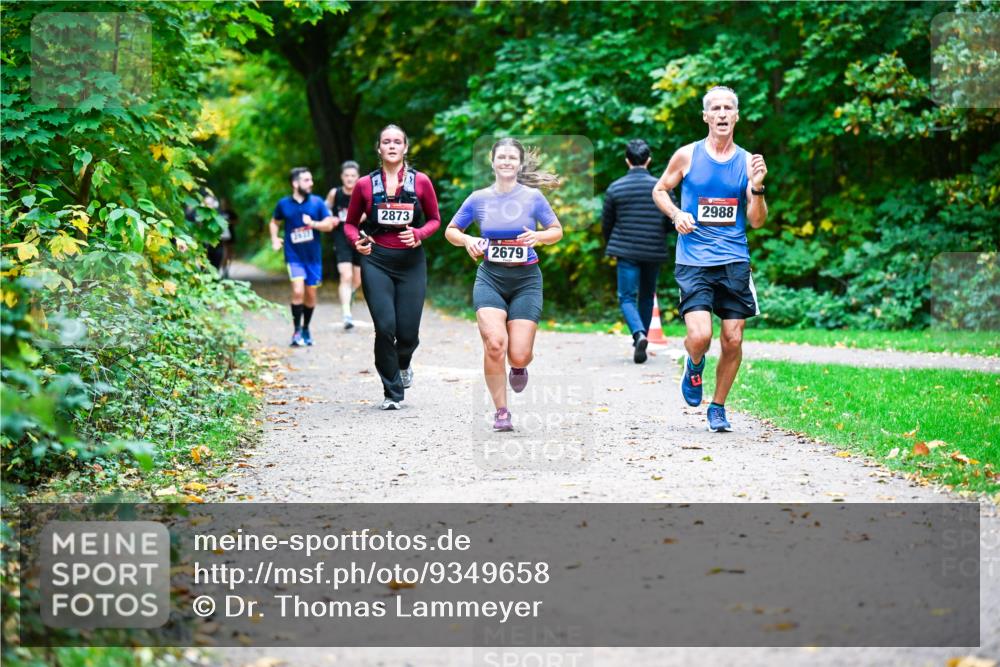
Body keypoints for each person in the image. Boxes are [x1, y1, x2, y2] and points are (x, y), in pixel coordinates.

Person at [652, 86, 768, 432]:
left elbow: (757, 221)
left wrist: (758, 187)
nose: (721, 113)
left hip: (734, 259)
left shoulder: (747, 162)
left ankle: (717, 407)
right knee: (701, 336)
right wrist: (676, 214)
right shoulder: (687, 155)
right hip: (694, 260)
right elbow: (660, 189)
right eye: (715, 108)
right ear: (705, 116)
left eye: (728, 108)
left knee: (733, 339)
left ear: (736, 116)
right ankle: (694, 363)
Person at [444, 138, 563, 431]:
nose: (507, 161)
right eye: (502, 157)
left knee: (518, 354)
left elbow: (556, 231)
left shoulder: (533, 197)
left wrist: (539, 237)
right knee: (495, 344)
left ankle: (519, 366)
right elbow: (451, 230)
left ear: (520, 164)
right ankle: (501, 411)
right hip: (491, 278)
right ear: (492, 161)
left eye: (512, 157)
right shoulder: (478, 198)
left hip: (526, 280)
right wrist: (467, 239)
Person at [343, 125, 441, 410]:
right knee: (385, 328)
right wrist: (357, 241)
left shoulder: (421, 182)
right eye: (386, 141)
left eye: (397, 141)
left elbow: (435, 219)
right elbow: (350, 224)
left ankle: (403, 363)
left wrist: (419, 233)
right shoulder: (364, 184)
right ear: (379, 148)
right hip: (376, 260)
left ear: (405, 147)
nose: (392, 146)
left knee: (408, 334)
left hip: (411, 263)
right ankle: (392, 392)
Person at [602, 139, 672, 364]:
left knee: (626, 297)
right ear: (648, 160)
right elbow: (672, 219)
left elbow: (607, 223)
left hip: (626, 251)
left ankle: (638, 334)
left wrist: (612, 245)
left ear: (627, 160)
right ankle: (642, 337)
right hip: (653, 249)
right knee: (647, 295)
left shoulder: (616, 188)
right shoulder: (662, 188)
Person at [269, 167, 336, 347]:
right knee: (298, 291)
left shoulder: (317, 202)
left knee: (311, 295)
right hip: (294, 256)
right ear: (295, 183)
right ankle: (296, 331)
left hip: (313, 257)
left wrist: (312, 223)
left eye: (311, 179)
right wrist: (274, 238)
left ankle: (306, 328)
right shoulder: (284, 204)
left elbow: (329, 225)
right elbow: (274, 222)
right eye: (306, 180)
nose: (311, 183)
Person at [325, 161, 364, 330]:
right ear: (342, 177)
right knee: (345, 275)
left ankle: (350, 294)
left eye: (353, 176)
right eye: (347, 175)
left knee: (357, 279)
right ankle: (347, 314)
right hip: (341, 237)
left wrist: (358, 217)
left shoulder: (362, 192)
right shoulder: (335, 193)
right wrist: (329, 217)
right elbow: (324, 208)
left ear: (358, 177)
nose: (349, 179)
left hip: (359, 237)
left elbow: (369, 211)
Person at [218, 198, 238, 279]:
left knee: (230, 253)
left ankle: (226, 269)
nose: (224, 204)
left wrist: (229, 222)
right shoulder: (218, 212)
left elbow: (237, 221)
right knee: (225, 252)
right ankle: (222, 269)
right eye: (222, 203)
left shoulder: (231, 213)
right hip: (221, 235)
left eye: (225, 203)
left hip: (231, 234)